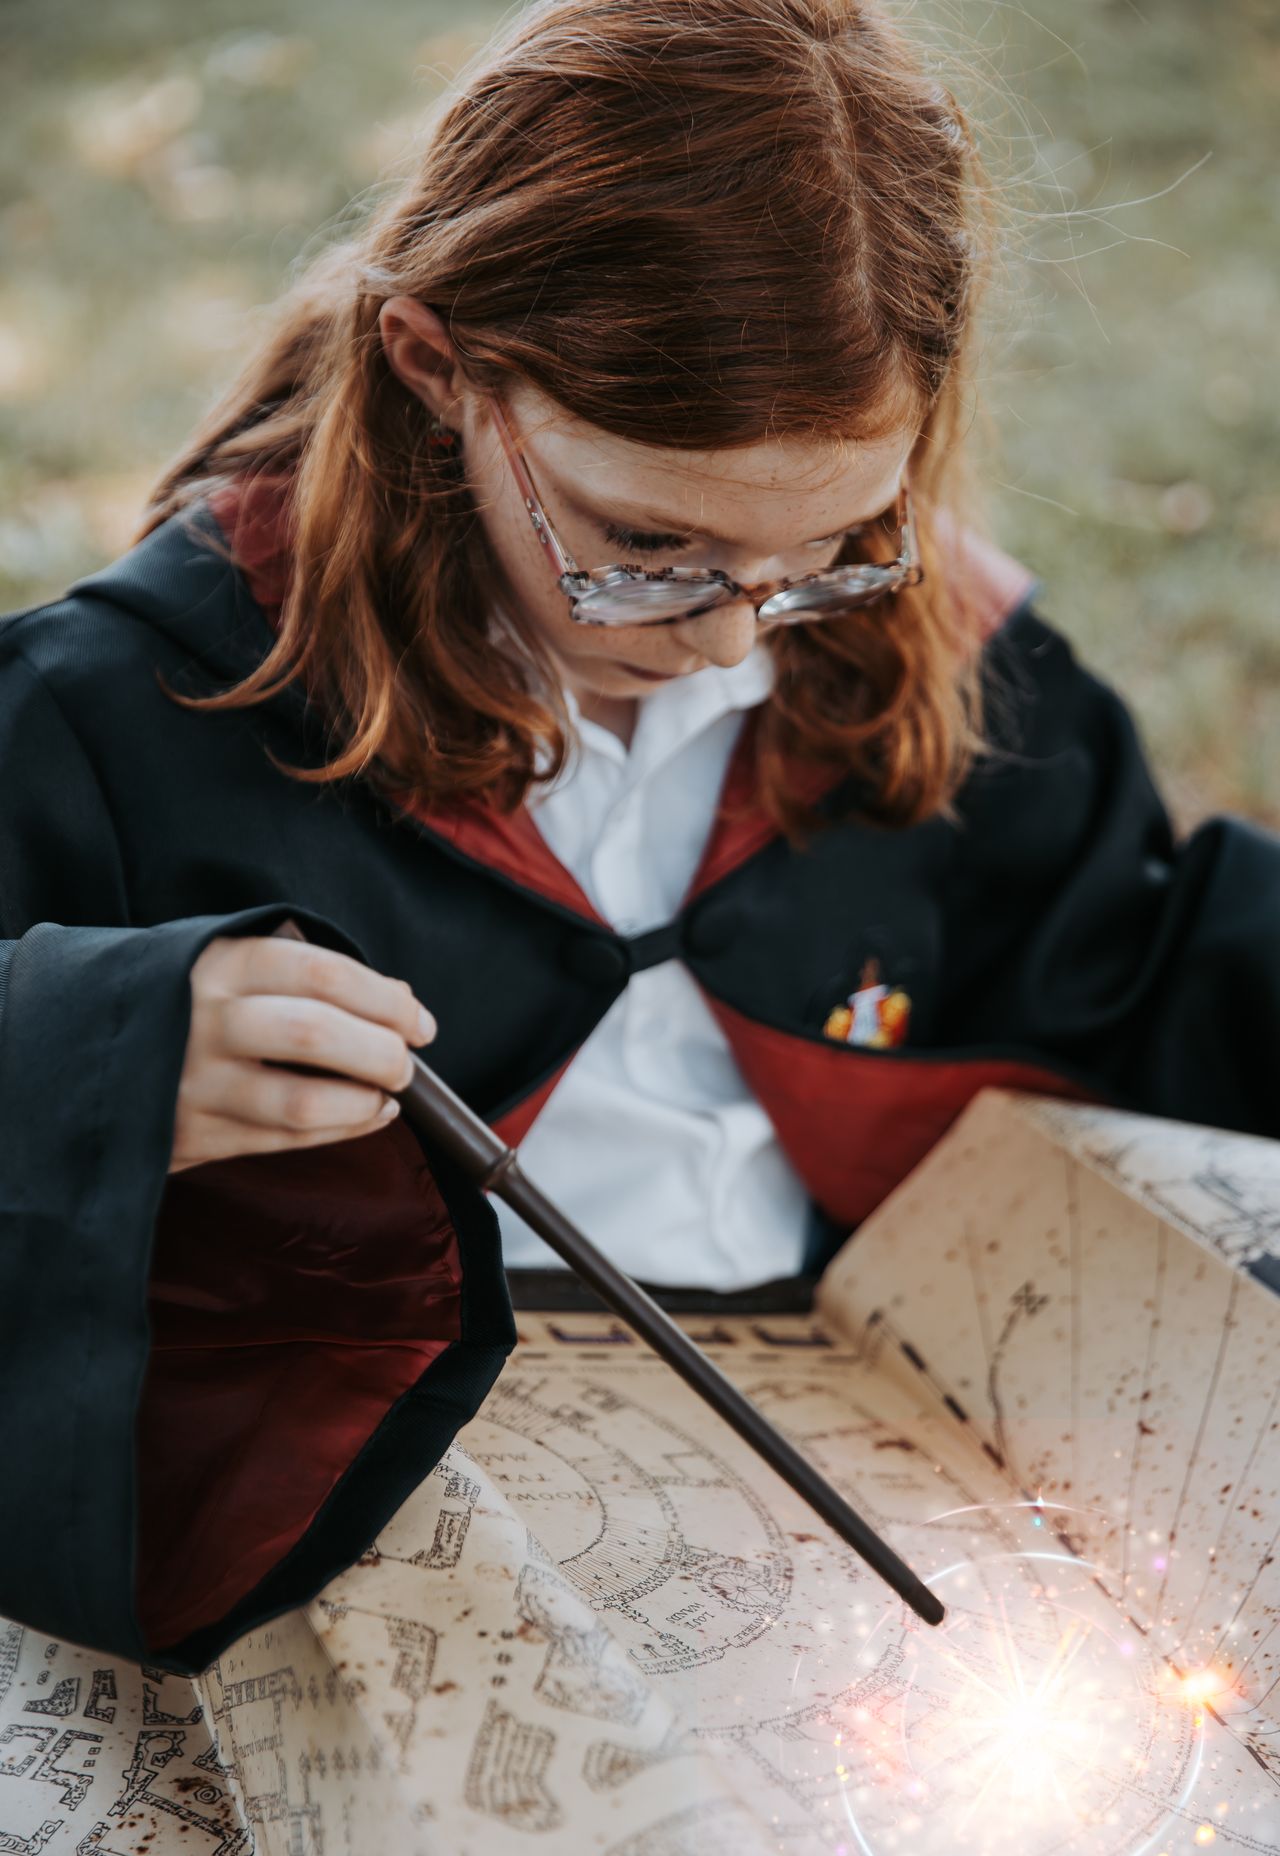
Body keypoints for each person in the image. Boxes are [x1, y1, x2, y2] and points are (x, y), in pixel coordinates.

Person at [2, 0, 1277, 1676]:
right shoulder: (132, 710)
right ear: (436, 364)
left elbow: (1146, 955)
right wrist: (89, 1059)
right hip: (354, 1489)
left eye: (836, 541)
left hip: (880, 1441)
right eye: (646, 547)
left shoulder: (941, 672)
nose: (737, 639)